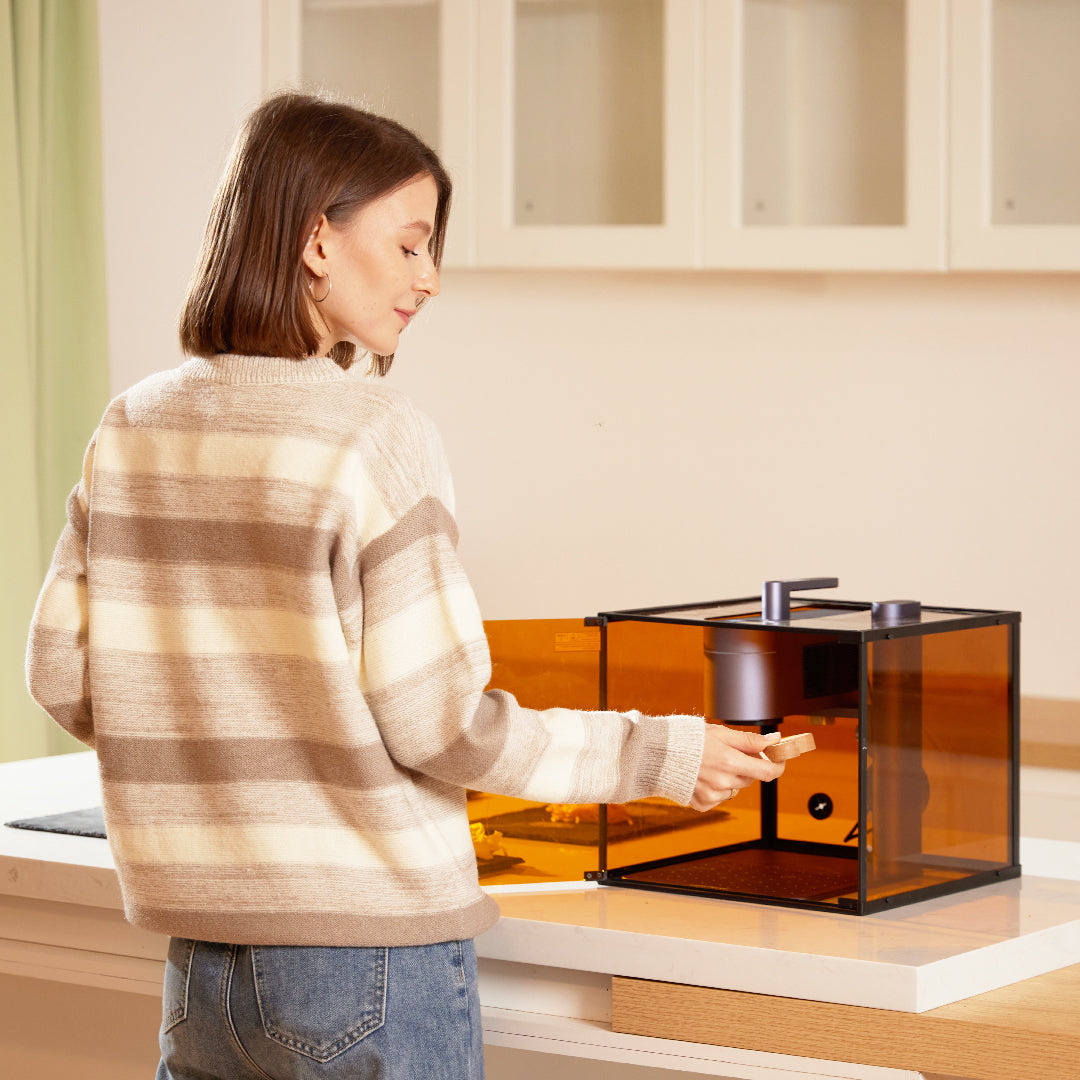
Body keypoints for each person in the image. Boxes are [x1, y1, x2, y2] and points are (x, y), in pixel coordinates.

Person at [25, 92, 784, 1080]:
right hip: (368, 961)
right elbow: (442, 726)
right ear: (316, 241)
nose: (431, 279)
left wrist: (228, 752)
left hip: (202, 972)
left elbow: (65, 675)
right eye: (412, 244)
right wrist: (662, 753)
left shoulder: (135, 425)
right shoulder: (373, 435)